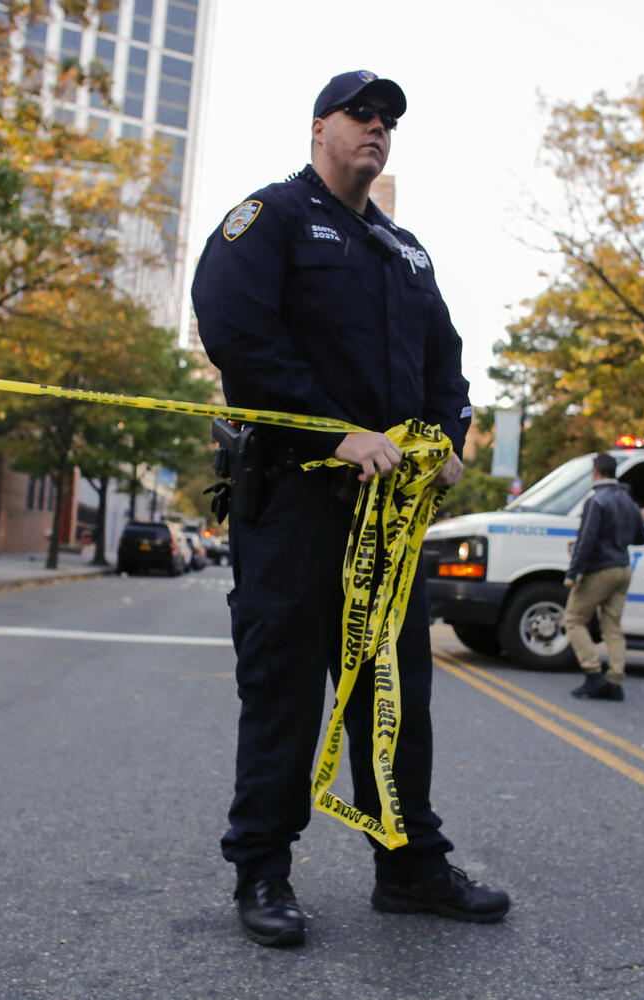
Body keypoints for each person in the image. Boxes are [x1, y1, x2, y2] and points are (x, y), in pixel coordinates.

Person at [191, 69, 509, 947]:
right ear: (320, 126)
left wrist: (447, 437)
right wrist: (334, 433)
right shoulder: (271, 220)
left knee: (391, 692)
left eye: (388, 120)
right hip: (296, 501)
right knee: (285, 691)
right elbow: (235, 334)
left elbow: (446, 362)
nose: (377, 127)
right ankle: (262, 871)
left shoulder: (406, 251)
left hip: (388, 520)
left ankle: (408, 867)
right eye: (360, 113)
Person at [563, 452, 644, 703]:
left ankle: (593, 674)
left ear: (596, 472)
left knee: (574, 619)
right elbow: (643, 537)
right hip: (623, 568)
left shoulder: (596, 501)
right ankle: (615, 680)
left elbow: (586, 540)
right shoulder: (626, 500)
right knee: (612, 626)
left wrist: (573, 573)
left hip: (600, 568)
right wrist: (620, 538)